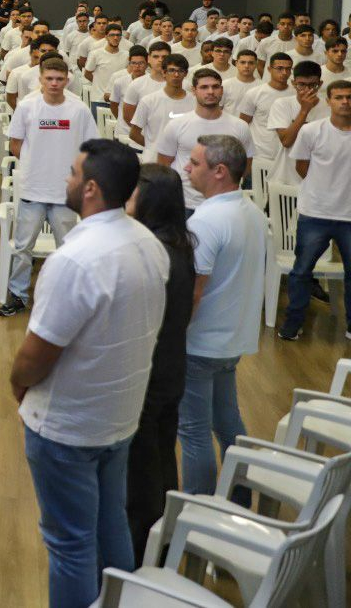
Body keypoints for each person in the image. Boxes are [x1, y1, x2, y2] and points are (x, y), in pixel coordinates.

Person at [9, 140, 167, 608]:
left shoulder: (75, 261)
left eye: (74, 173)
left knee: (71, 544)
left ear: (92, 188)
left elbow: (36, 355)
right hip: (118, 416)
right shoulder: (147, 243)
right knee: (109, 521)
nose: (67, 179)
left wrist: (17, 386)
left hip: (69, 426)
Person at [172, 135, 268, 501]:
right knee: (228, 424)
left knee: (194, 434)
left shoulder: (207, 221)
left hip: (200, 344)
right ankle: (240, 500)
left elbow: (194, 291)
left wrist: (172, 339)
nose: (186, 168)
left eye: (194, 163)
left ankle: (196, 515)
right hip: (231, 341)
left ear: (219, 171)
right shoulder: (252, 213)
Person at [122, 164, 195, 565]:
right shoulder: (179, 243)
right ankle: (162, 543)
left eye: (132, 194)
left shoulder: (152, 252)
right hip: (171, 369)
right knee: (162, 459)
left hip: (149, 375)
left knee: (141, 475)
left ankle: (136, 558)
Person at [0, 57, 95, 317]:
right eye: (49, 78)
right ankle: (18, 295)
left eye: (59, 79)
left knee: (67, 249)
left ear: (67, 80)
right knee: (22, 248)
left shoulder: (79, 109)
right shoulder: (27, 106)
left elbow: (89, 149)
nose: (54, 83)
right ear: (40, 79)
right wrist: (35, 165)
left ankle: (65, 297)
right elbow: (15, 144)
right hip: (33, 188)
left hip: (65, 192)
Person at [278, 79, 351, 341]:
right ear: (328, 101)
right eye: (339, 97)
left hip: (349, 216)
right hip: (315, 213)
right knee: (301, 272)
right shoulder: (312, 131)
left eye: (349, 97)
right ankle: (293, 325)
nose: (345, 102)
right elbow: (301, 167)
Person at [154, 68, 251, 213]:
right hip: (186, 203)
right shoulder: (177, 125)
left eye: (215, 86)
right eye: (204, 87)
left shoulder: (240, 126)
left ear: (222, 90)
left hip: (225, 205)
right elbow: (163, 165)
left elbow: (245, 166)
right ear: (194, 90)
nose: (210, 91)